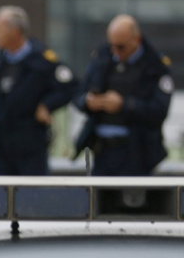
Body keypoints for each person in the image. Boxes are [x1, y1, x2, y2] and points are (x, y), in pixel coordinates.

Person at [0, 6, 77, 175]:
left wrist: (46, 105)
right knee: (3, 191)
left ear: (14, 31)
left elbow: (70, 86)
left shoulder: (42, 60)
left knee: (32, 191)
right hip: (2, 148)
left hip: (31, 148)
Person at [73, 14, 173, 176]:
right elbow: (78, 93)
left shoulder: (155, 66)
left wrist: (124, 105)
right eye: (111, 45)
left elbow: (159, 110)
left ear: (136, 40)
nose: (115, 51)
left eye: (121, 47)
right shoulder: (102, 57)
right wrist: (88, 101)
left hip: (137, 153)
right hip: (101, 151)